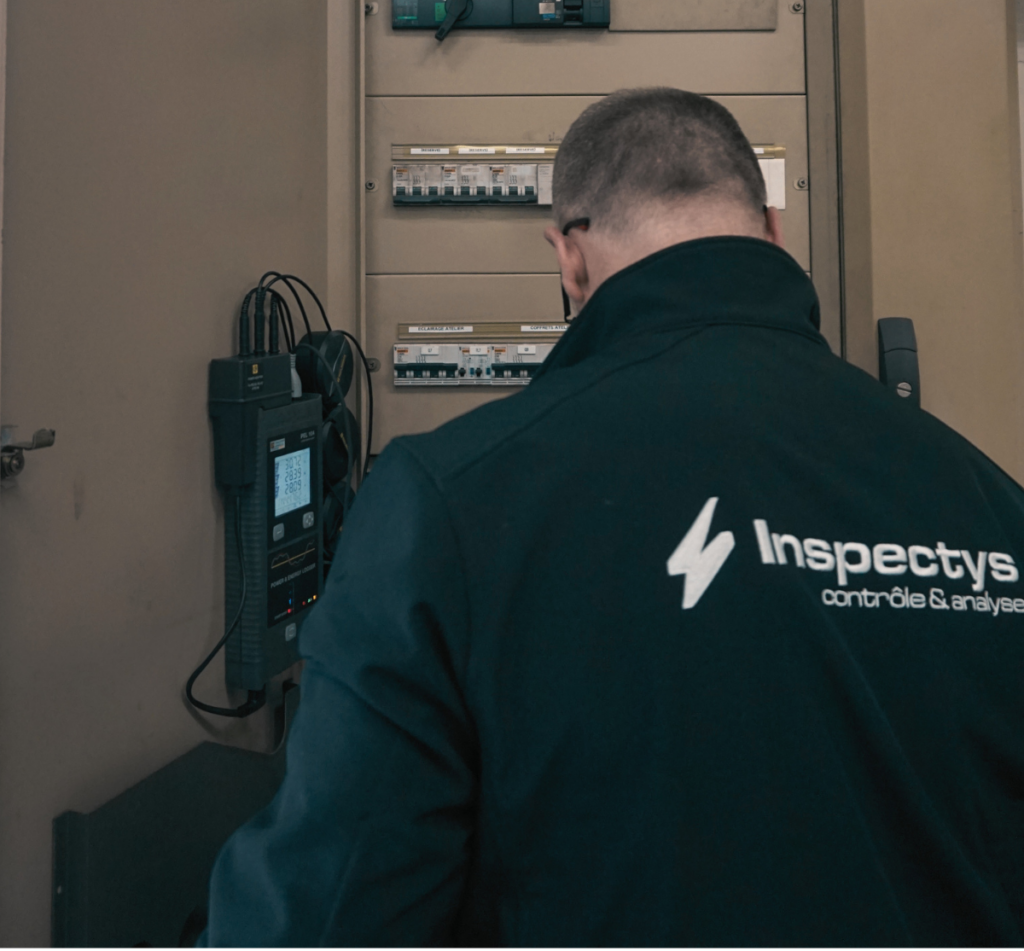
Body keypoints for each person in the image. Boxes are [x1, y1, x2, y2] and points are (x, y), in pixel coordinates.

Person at [201, 88, 1024, 945]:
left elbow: (326, 916)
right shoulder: (989, 502)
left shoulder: (447, 500)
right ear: (775, 230)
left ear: (571, 258)